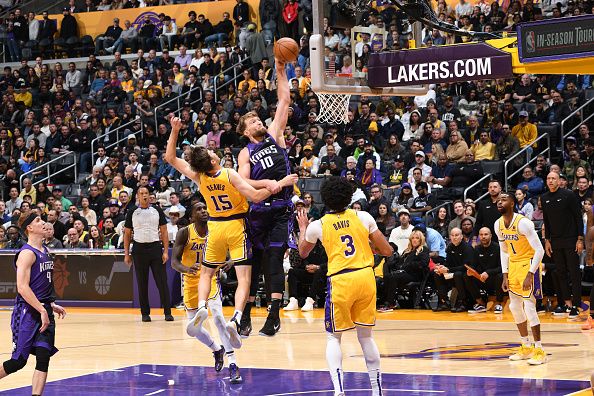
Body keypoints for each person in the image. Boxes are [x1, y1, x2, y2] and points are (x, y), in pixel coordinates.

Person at [164, 116, 272, 352]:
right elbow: (254, 196)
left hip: (215, 227)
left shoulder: (199, 178)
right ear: (213, 159)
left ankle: (201, 306)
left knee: (206, 274)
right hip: (236, 226)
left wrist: (174, 130)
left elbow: (170, 158)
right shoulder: (229, 173)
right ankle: (235, 317)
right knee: (244, 278)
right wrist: (275, 185)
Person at [297, 176, 393, 396]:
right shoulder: (364, 216)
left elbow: (303, 252)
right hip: (365, 277)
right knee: (366, 337)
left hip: (341, 280)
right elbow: (387, 251)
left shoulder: (317, 225)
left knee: (333, 337)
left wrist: (302, 227)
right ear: (349, 196)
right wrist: (370, 247)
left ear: (326, 199)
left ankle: (339, 390)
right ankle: (376, 390)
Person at [237, 55, 299, 337]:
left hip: (280, 210)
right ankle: (246, 316)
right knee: (254, 264)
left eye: (258, 117)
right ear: (245, 131)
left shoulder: (275, 134)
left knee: (274, 259)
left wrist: (280, 70)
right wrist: (273, 182)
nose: (258, 120)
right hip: (257, 212)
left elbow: (284, 100)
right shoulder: (245, 153)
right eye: (252, 120)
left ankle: (274, 315)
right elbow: (244, 182)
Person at [171, 202, 241, 383]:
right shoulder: (184, 233)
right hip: (190, 282)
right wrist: (186, 269)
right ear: (191, 216)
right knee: (192, 329)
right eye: (199, 210)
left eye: (205, 208)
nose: (203, 211)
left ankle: (233, 363)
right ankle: (217, 349)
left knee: (218, 318)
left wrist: (231, 261)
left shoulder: (215, 229)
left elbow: (233, 248)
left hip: (211, 279)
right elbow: (174, 262)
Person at [0, 214, 66, 395]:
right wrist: (41, 310)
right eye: (38, 221)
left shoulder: (45, 250)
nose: (43, 223)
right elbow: (22, 287)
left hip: (44, 309)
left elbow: (41, 283)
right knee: (18, 362)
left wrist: (50, 305)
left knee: (44, 357)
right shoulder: (27, 253)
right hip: (27, 312)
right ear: (29, 228)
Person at [495, 191, 546, 365]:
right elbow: (504, 251)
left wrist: (531, 274)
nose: (499, 202)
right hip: (514, 266)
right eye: (498, 200)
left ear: (512, 203)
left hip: (529, 264)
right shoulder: (498, 224)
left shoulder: (523, 223)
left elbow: (540, 250)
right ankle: (526, 346)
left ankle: (540, 350)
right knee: (515, 306)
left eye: (504, 199)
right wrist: (505, 274)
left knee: (530, 307)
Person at [123, 186, 173, 323]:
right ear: (138, 196)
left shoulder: (156, 210)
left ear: (150, 195)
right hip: (139, 250)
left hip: (155, 248)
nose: (144, 195)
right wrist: (127, 254)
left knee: (162, 281)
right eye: (142, 193)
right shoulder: (132, 211)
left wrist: (165, 251)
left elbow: (164, 232)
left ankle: (167, 312)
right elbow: (127, 234)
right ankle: (145, 313)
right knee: (142, 283)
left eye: (146, 193)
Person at [541, 172, 584, 318]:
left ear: (559, 181)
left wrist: (580, 239)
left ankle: (577, 305)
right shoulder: (544, 198)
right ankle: (567, 304)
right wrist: (547, 240)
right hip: (555, 241)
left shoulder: (569, 195)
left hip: (571, 239)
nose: (551, 181)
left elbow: (578, 217)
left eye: (553, 178)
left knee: (574, 272)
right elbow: (546, 221)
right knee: (561, 273)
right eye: (548, 178)